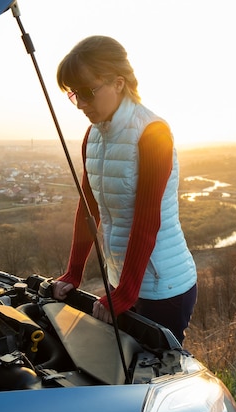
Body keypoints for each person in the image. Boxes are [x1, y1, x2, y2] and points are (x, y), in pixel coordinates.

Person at [50, 35, 197, 345]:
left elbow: (147, 221)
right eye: (74, 95)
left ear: (118, 83)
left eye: (88, 92)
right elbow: (88, 210)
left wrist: (126, 293)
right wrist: (73, 273)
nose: (82, 105)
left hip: (164, 287)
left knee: (154, 378)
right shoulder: (94, 135)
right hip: (122, 284)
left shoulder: (152, 133)